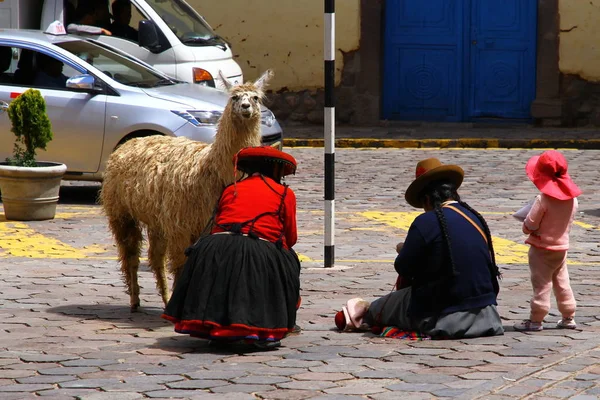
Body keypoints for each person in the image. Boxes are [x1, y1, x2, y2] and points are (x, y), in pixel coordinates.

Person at [336, 158, 504, 339]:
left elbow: (404, 268)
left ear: (426, 199)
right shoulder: (475, 217)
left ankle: (357, 314)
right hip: (488, 315)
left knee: (376, 309)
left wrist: (404, 250)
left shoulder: (426, 221)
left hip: (441, 315)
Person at [162, 146, 301, 350]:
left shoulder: (230, 189)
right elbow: (291, 237)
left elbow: (218, 223)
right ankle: (261, 325)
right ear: (276, 171)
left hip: (215, 247)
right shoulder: (284, 194)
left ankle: (215, 326)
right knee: (288, 261)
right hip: (258, 248)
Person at [514, 150, 581, 332]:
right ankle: (568, 316)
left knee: (541, 284)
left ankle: (536, 320)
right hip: (561, 247)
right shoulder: (572, 200)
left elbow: (530, 224)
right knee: (562, 281)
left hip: (541, 248)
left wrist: (526, 226)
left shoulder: (542, 199)